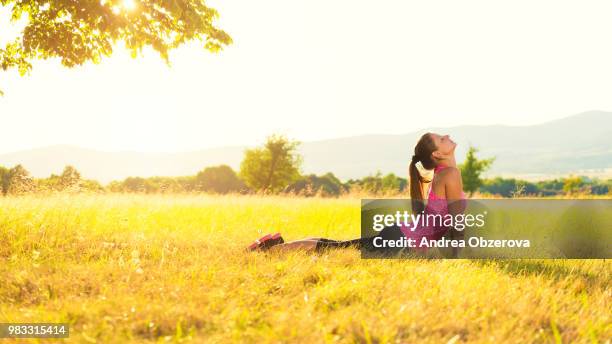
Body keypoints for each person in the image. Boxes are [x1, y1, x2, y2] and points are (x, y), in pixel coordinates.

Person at [247, 132, 466, 255]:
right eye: (441, 139)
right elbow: (457, 223)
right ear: (438, 153)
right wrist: (459, 256)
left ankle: (276, 245)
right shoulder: (449, 174)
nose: (447, 136)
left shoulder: (443, 173)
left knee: (336, 247)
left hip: (400, 236)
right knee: (333, 248)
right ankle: (267, 251)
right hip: (400, 240)